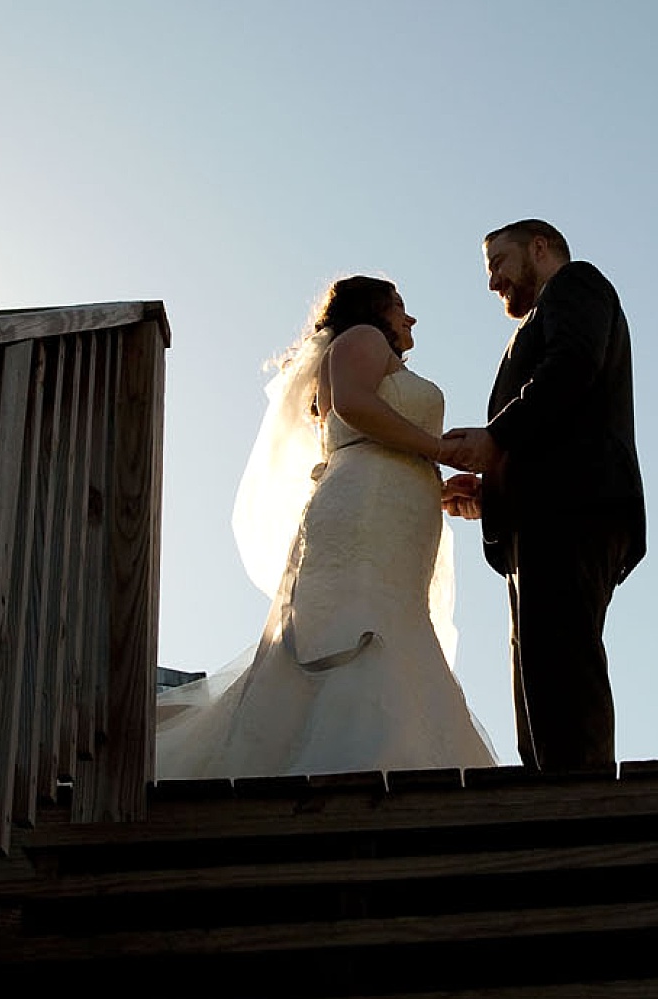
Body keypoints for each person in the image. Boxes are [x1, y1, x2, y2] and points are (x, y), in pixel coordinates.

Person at [155, 274, 500, 781]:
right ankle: (357, 762)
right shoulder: (364, 338)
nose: (410, 318)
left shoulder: (378, 352)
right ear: (373, 309)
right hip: (362, 508)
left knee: (392, 616)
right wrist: (441, 451)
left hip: (392, 509)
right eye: (400, 304)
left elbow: (375, 430)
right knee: (361, 618)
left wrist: (437, 485)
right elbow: (353, 405)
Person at [439, 222, 644, 772]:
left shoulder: (577, 284)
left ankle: (580, 811)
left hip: (572, 509)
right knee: (539, 677)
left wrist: (495, 439)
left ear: (539, 247)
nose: (492, 281)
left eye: (498, 262)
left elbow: (573, 366)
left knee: (561, 671)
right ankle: (555, 799)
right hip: (542, 514)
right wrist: (491, 492)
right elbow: (557, 425)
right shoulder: (541, 316)